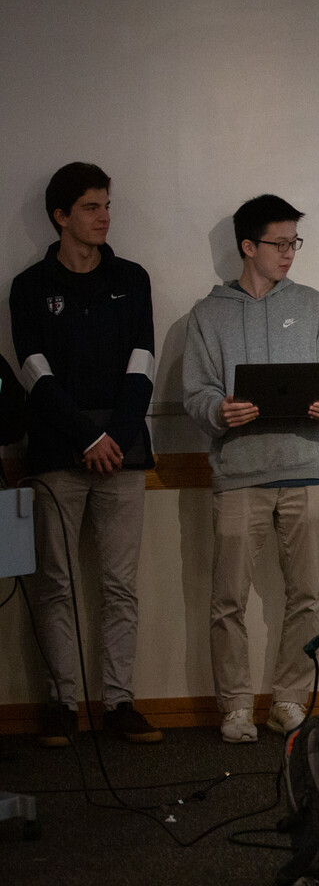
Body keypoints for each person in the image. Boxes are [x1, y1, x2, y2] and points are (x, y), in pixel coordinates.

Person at [182, 194, 319, 743]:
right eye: (280, 244)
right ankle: (234, 707)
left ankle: (288, 699)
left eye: (294, 243)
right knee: (227, 599)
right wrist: (219, 410)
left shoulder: (315, 306)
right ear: (247, 246)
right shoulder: (208, 315)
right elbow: (197, 392)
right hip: (239, 473)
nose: (290, 254)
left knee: (305, 595)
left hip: (306, 468)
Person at [10, 162, 162, 747]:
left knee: (120, 586)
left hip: (123, 452)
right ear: (61, 217)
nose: (104, 218)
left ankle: (119, 703)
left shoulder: (132, 277)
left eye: (107, 206)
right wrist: (85, 438)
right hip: (57, 453)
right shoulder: (29, 287)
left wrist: (117, 437)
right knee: (57, 584)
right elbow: (34, 372)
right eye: (91, 208)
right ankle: (61, 704)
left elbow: (142, 360)